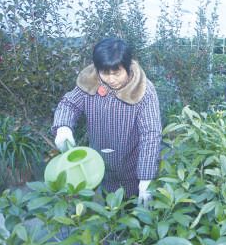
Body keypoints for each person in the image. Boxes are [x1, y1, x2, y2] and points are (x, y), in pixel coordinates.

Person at [51, 37, 162, 207]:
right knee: (108, 212)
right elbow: (69, 104)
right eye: (105, 73)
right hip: (100, 167)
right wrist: (63, 127)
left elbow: (151, 134)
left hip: (132, 168)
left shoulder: (144, 91)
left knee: (134, 214)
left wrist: (146, 177)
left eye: (117, 73)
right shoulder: (90, 84)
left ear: (127, 67)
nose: (111, 79)